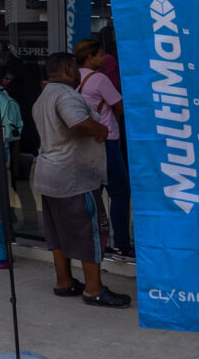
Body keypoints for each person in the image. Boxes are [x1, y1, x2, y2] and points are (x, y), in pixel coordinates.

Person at [31, 51, 127, 306]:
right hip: (73, 177)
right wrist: (101, 129)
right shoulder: (66, 95)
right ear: (68, 70)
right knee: (89, 231)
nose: (78, 74)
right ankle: (94, 289)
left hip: (50, 175)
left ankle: (64, 282)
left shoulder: (44, 96)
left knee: (58, 234)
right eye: (75, 69)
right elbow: (78, 123)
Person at [72, 39, 130, 261]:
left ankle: (96, 243)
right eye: (99, 55)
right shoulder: (99, 79)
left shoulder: (74, 78)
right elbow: (120, 106)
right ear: (89, 56)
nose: (103, 59)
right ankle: (122, 246)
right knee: (120, 193)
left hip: (85, 143)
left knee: (93, 195)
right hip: (107, 141)